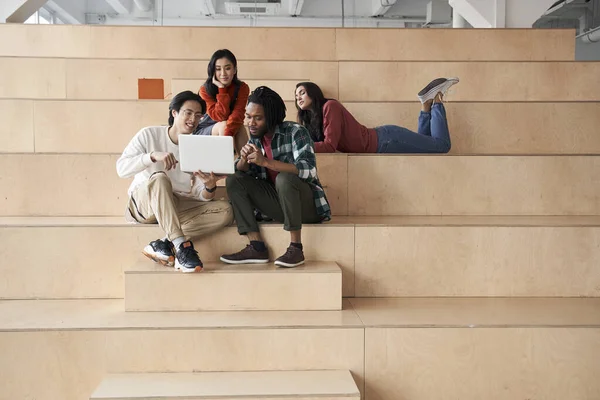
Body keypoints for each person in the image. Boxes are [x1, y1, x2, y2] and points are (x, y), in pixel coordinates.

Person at [116, 90, 233, 273]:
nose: (193, 119)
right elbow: (121, 168)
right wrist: (152, 157)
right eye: (188, 112)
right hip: (143, 204)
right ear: (174, 113)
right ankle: (181, 247)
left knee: (226, 210)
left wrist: (210, 186)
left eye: (198, 115)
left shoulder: (197, 145)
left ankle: (163, 243)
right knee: (160, 178)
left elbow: (199, 196)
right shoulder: (149, 134)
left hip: (174, 204)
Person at [220, 86, 331, 268]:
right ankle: (256, 246)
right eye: (248, 117)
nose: (250, 123)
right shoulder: (255, 139)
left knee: (284, 178)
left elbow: (309, 169)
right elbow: (239, 171)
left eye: (258, 118)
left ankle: (296, 248)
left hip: (307, 207)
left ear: (271, 118)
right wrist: (244, 161)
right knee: (234, 179)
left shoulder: (296, 132)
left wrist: (266, 162)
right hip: (279, 204)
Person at [295, 78, 459, 153]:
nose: (299, 98)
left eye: (302, 93)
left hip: (386, 140)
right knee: (427, 147)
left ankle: (436, 99)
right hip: (384, 140)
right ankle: (426, 104)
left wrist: (300, 147)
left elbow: (329, 146)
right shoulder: (314, 120)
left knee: (441, 146)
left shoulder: (330, 106)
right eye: (296, 96)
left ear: (313, 93)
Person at [198, 49, 250, 154]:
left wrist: (227, 134)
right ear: (213, 71)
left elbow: (238, 114)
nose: (223, 73)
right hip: (205, 129)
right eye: (218, 69)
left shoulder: (242, 87)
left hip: (226, 128)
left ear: (234, 70)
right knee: (224, 124)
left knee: (239, 126)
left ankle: (246, 166)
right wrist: (221, 89)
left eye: (228, 68)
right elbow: (220, 116)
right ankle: (224, 165)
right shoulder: (204, 90)